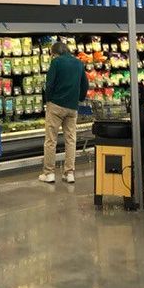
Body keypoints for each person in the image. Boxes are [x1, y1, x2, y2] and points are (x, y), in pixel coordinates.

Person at [40, 41, 88, 184]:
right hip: (72, 107)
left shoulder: (56, 62)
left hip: (56, 105)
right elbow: (85, 84)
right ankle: (70, 173)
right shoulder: (79, 63)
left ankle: (49, 173)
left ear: (55, 53)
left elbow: (49, 83)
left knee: (51, 140)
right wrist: (79, 98)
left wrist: (48, 100)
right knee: (71, 140)